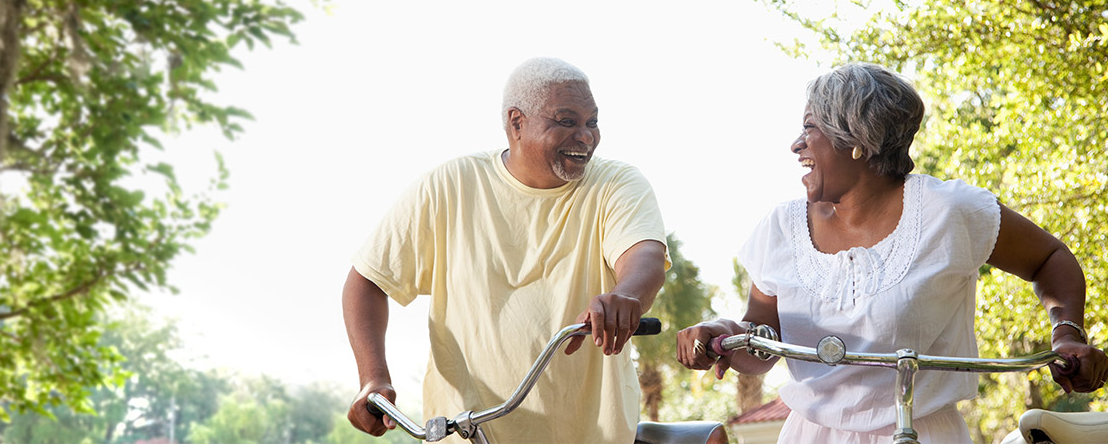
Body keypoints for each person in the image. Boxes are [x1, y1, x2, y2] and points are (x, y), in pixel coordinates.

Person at [675, 62, 1108, 443]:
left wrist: (1066, 332)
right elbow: (760, 345)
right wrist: (722, 335)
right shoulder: (781, 227)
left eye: (810, 128)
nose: (796, 144)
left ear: (856, 139)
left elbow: (1049, 257)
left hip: (922, 435)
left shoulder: (949, 211)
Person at [341, 57, 670, 443]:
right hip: (466, 431)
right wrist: (373, 377)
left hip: (586, 434)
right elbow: (367, 280)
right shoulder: (450, 186)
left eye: (592, 122)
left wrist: (625, 296)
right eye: (567, 121)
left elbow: (643, 256)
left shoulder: (616, 184)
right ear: (517, 123)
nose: (585, 136)